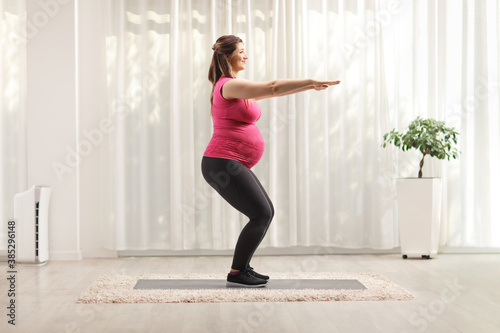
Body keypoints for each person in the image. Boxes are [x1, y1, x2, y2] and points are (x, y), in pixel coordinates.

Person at [201, 35, 340, 288]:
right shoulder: (229, 85)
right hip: (222, 163)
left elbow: (274, 92)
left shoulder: (235, 86)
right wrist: (310, 81)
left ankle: (242, 268)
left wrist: (310, 87)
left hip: (231, 162)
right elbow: (273, 86)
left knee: (266, 212)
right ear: (227, 56)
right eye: (241, 51)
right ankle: (236, 273)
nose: (245, 56)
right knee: (261, 214)